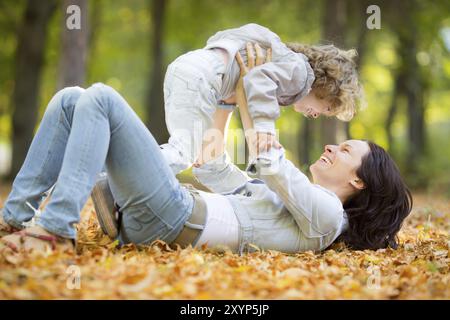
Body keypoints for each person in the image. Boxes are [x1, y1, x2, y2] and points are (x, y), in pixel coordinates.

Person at [0, 49, 410, 255]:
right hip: (170, 212)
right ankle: (14, 219)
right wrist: (231, 99)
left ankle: (54, 229)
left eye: (344, 149)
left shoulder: (327, 218)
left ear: (359, 179)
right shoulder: (286, 202)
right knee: (73, 98)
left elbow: (270, 162)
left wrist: (255, 87)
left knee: (102, 99)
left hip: (175, 217)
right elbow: (212, 165)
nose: (330, 147)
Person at [160, 23, 364, 174]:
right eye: (328, 109)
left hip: (187, 68)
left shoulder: (281, 61)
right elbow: (258, 78)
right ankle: (130, 165)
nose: (317, 115)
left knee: (191, 151)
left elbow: (243, 79)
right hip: (202, 78)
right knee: (183, 153)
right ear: (327, 87)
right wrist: (265, 129)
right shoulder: (300, 74)